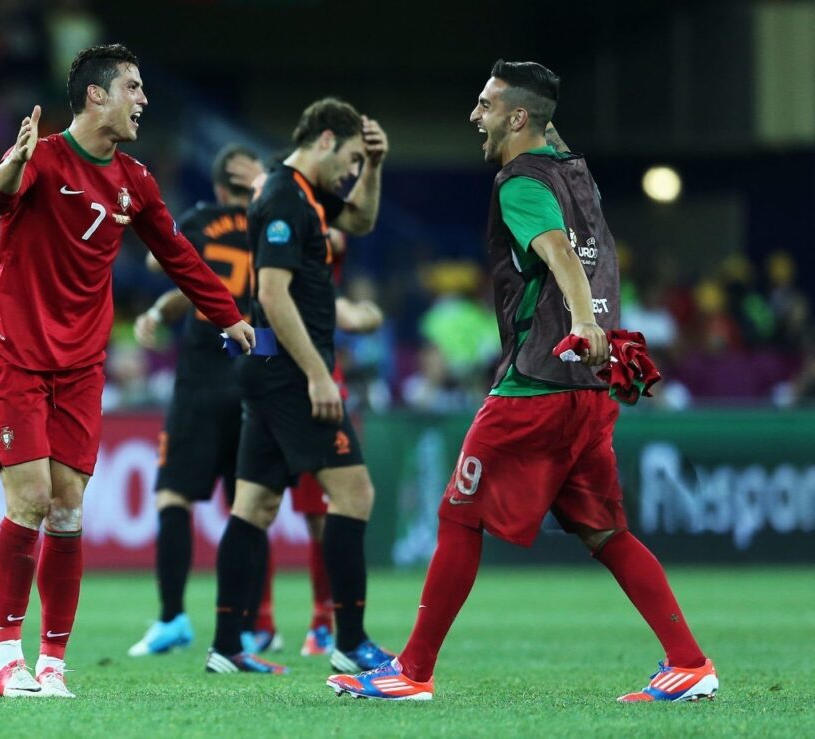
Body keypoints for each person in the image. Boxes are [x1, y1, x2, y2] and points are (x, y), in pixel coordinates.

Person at [328, 60, 718, 702]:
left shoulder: (521, 182)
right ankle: (689, 661)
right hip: (591, 391)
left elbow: (560, 252)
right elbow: (560, 169)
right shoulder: (573, 171)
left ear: (516, 118)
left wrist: (586, 321)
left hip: (537, 383)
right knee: (605, 533)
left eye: (485, 105)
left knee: (458, 514)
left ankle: (412, 671)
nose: (473, 115)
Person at [0, 43, 254, 699]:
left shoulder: (136, 178)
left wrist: (229, 314)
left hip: (80, 362)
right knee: (31, 497)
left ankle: (52, 663)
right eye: (132, 86)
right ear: (96, 95)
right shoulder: (41, 157)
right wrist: (10, 165)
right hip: (16, 351)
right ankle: (5, 656)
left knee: (69, 509)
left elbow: (180, 256)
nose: (144, 99)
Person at [205, 97, 392, 675]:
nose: (352, 174)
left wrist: (378, 167)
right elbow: (273, 294)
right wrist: (318, 374)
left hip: (269, 370)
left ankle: (227, 647)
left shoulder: (306, 194)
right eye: (353, 160)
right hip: (290, 373)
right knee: (355, 494)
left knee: (254, 505)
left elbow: (360, 220)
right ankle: (351, 640)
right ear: (327, 139)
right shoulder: (285, 197)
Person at [126, 143, 260, 657]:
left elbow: (163, 263)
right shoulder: (274, 223)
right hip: (256, 372)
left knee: (174, 497)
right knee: (249, 505)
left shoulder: (203, 219)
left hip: (203, 375)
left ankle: (172, 618)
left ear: (219, 186)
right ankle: (243, 629)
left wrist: (159, 310)